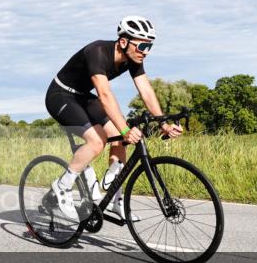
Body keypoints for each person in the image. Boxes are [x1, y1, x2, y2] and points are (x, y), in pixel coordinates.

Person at [45, 16, 183, 222]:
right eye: (142, 45)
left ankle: (113, 198)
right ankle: (62, 186)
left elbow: (146, 91)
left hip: (82, 96)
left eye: (150, 46)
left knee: (119, 136)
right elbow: (105, 95)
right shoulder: (98, 52)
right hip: (60, 95)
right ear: (124, 42)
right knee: (97, 140)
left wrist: (163, 123)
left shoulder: (133, 59)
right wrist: (127, 129)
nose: (145, 51)